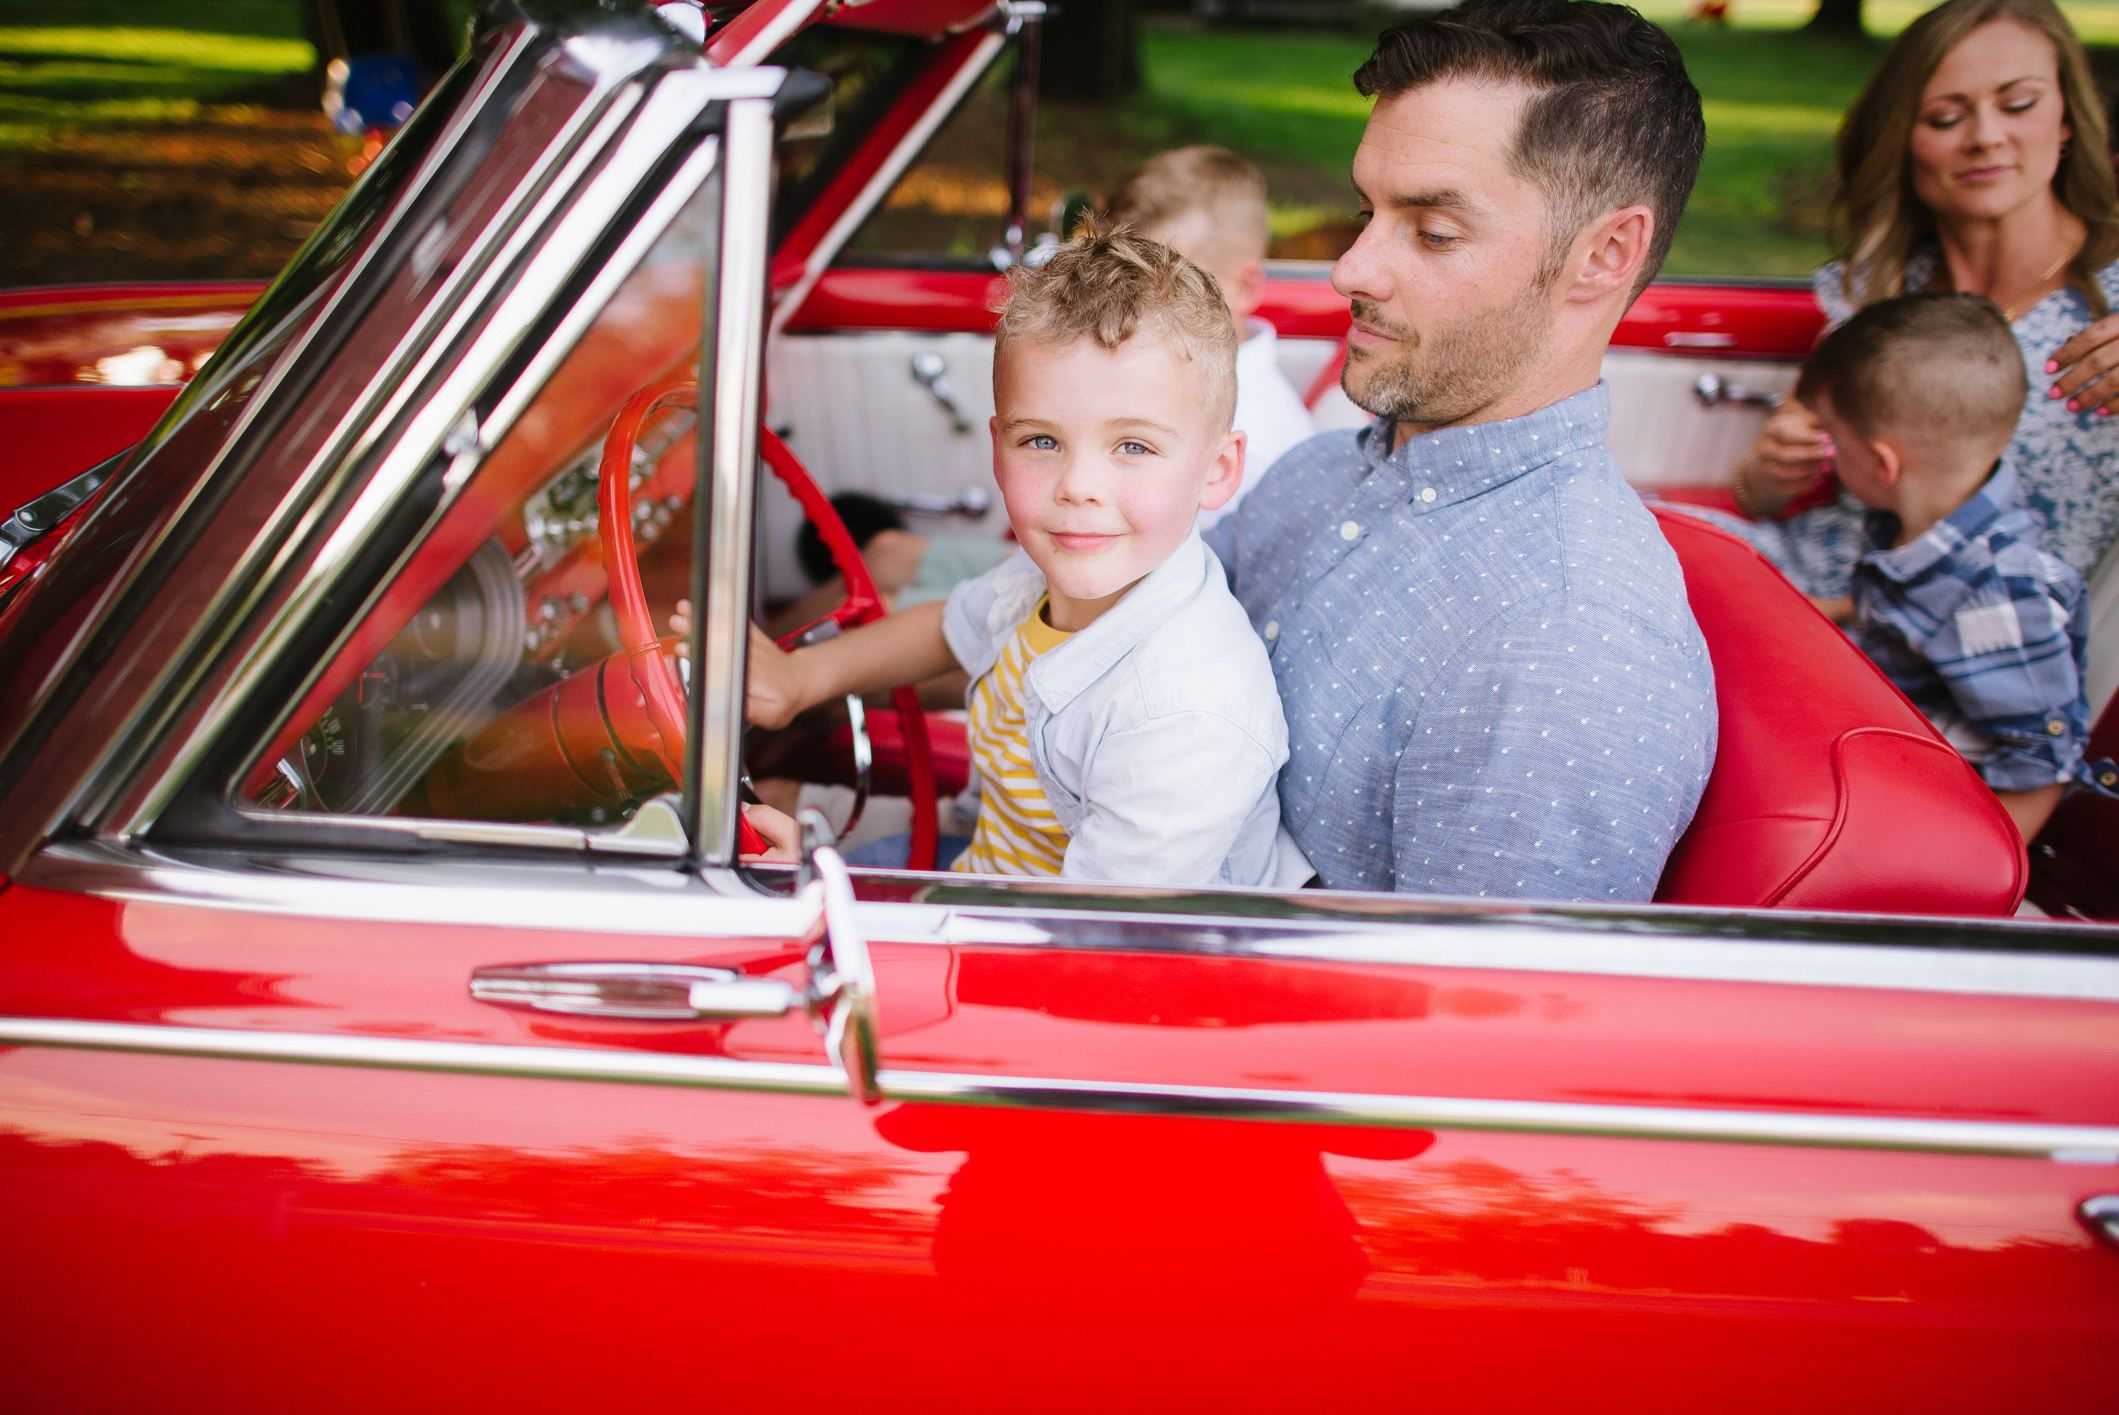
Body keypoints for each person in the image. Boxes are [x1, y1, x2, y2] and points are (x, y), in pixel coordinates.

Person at [1205, 0, 1718, 901]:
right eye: (1365, 210)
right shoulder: (1325, 471)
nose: (1350, 269)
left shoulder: (1563, 648)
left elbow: (1470, 1024)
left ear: (1603, 256)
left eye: (1433, 231)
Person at [741, 224, 1300, 886]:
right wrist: (799, 681)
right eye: (1040, 442)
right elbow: (950, 626)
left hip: (1045, 937)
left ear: (1218, 468)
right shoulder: (1045, 573)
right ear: (997, 443)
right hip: (984, 861)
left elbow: (1085, 943)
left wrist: (834, 878)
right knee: (758, 825)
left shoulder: (1183, 717)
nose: (1077, 487)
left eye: (1133, 447)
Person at [1725, 0, 2119, 606]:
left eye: (2019, 105)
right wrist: (1769, 470)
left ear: (2067, 118)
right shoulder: (1880, 287)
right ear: (1903, 140)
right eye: (1943, 118)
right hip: (1793, 584)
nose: (1987, 138)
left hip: (1951, 656)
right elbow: (1757, 495)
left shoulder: (2111, 305)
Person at [1801, 292, 2117, 842]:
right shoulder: (1924, 531)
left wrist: (1966, 893)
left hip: (1926, 805)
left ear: (1881, 464)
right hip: (1877, 730)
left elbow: (2044, 764)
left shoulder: (2000, 594)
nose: (1830, 453)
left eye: (1834, 438)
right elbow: (1920, 611)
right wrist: (1836, 612)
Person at [1106, 147, 1316, 529]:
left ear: (1244, 289)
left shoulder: (1258, 448)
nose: (1133, 303)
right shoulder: (1152, 373)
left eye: (1173, 283)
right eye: (1122, 277)